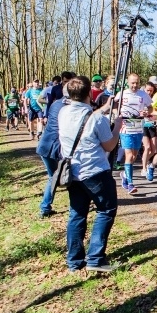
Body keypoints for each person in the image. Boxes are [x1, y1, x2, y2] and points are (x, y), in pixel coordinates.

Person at [58, 76, 122, 272]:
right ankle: (95, 257)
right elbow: (109, 145)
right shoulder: (96, 119)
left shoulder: (63, 112)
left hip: (73, 172)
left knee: (77, 214)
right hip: (95, 172)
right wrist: (118, 126)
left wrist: (104, 108)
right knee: (106, 210)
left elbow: (86, 117)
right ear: (88, 94)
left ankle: (74, 261)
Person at [113, 73, 153, 195]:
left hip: (138, 126)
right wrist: (116, 114)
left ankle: (124, 174)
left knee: (134, 155)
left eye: (137, 83)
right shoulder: (122, 93)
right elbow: (114, 105)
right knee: (129, 155)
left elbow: (150, 107)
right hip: (125, 126)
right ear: (128, 83)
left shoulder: (143, 94)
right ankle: (130, 183)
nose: (135, 85)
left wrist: (146, 112)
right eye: (132, 83)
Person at [36, 82, 71, 218]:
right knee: (68, 176)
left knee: (54, 177)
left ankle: (45, 207)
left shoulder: (56, 104)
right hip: (58, 147)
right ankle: (75, 206)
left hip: (45, 145)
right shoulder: (70, 107)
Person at [141, 82, 157, 181]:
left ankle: (147, 163)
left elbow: (155, 112)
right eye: (147, 90)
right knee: (147, 147)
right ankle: (144, 168)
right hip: (143, 125)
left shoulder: (154, 100)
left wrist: (155, 117)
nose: (149, 92)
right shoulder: (141, 98)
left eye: (151, 91)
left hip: (152, 126)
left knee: (155, 150)